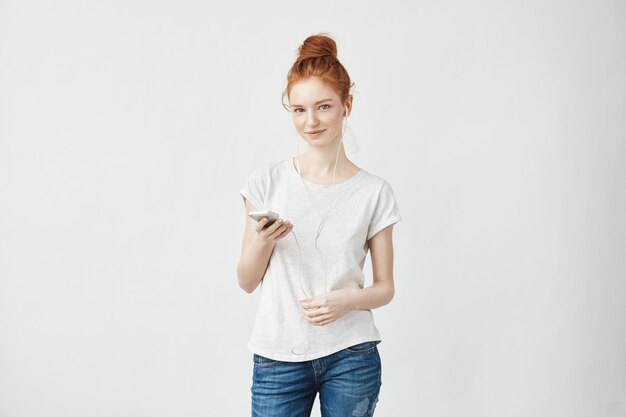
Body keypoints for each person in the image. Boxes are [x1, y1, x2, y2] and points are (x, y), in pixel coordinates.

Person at [236, 33, 401, 417]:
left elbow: (385, 288)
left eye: (323, 106)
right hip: (278, 356)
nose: (310, 121)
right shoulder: (266, 182)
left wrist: (346, 300)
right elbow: (245, 281)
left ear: (347, 106)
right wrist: (263, 242)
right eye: (298, 110)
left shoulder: (374, 192)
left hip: (352, 355)